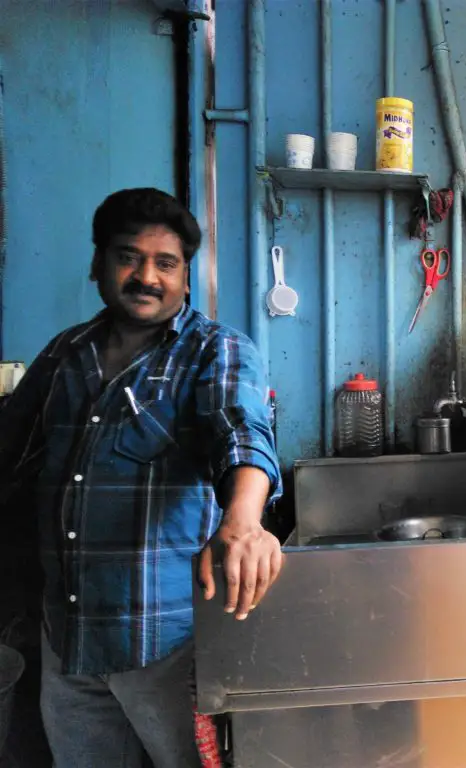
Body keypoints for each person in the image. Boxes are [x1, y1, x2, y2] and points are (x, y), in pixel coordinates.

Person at [0, 188, 283, 767]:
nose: (145, 276)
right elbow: (10, 454)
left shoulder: (214, 350)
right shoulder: (64, 353)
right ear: (98, 264)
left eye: (166, 263)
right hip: (68, 637)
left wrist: (243, 522)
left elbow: (243, 432)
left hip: (166, 644)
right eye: (128, 257)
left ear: (185, 277)